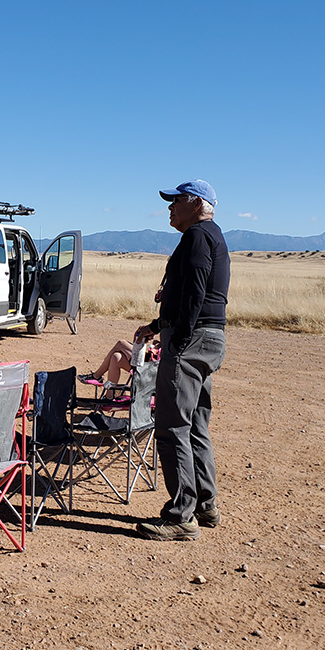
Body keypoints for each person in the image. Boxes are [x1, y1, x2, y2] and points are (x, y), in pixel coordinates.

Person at [133, 180, 230, 541]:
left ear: (195, 203)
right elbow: (194, 292)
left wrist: (180, 335)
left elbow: (195, 291)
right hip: (209, 338)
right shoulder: (212, 235)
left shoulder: (197, 237)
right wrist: (159, 325)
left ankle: (181, 516)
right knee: (195, 424)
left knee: (172, 425)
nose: (170, 208)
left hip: (192, 340)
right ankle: (206, 504)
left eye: (176, 202)